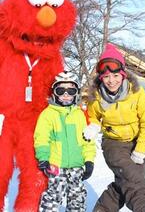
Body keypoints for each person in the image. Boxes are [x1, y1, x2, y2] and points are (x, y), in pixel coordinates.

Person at [83, 43, 145, 212]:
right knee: (136, 185)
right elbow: (93, 116)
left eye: (116, 75)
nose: (112, 81)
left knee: (124, 183)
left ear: (123, 74)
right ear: (101, 77)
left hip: (137, 142)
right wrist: (94, 126)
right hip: (113, 144)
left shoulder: (136, 93)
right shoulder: (95, 96)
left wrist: (140, 149)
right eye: (107, 77)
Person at [34, 71, 96, 212]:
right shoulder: (48, 114)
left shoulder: (80, 115)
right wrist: (43, 158)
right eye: (61, 90)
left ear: (77, 93)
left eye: (71, 90)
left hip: (77, 166)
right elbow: (42, 138)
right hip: (56, 166)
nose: (66, 94)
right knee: (53, 196)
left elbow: (88, 140)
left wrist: (89, 160)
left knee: (77, 198)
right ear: (54, 93)